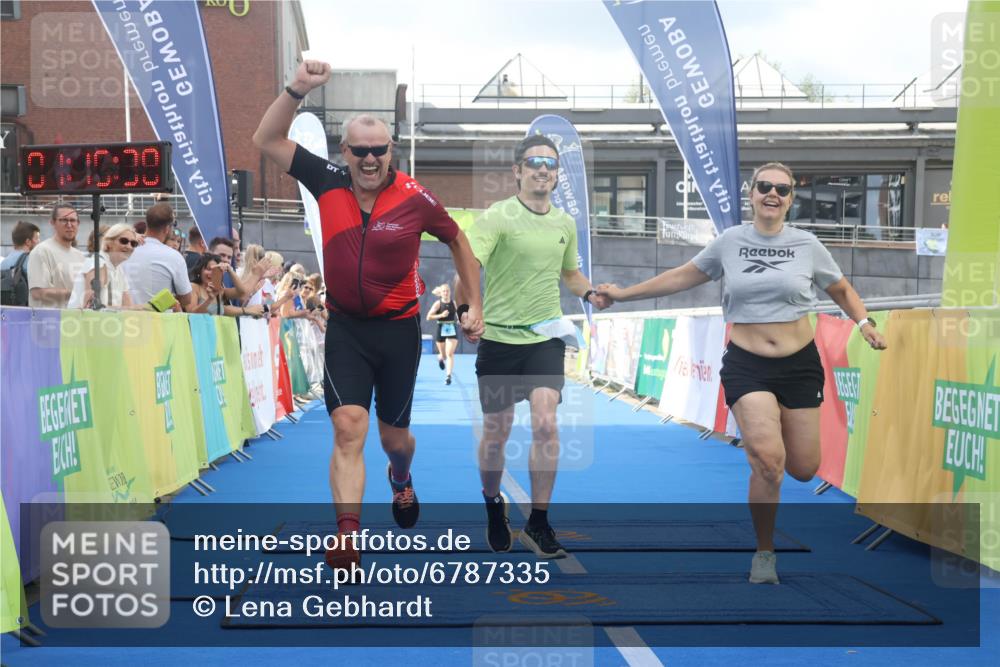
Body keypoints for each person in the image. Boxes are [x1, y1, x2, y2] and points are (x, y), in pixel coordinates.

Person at [597, 162, 888, 584]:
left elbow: (840, 288)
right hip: (747, 364)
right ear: (751, 193)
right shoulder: (730, 242)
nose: (773, 194)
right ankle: (765, 553)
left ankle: (775, 506)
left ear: (791, 199)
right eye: (765, 186)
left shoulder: (808, 245)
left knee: (804, 468)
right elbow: (682, 276)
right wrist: (624, 294)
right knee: (769, 461)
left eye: (783, 189)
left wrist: (864, 323)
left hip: (800, 364)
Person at [253, 59, 484, 572]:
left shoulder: (415, 197)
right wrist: (295, 89)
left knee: (392, 440)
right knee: (348, 426)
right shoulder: (325, 179)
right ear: (345, 152)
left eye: (380, 150)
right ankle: (347, 535)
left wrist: (473, 305)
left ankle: (400, 479)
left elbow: (459, 241)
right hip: (348, 330)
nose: (371, 159)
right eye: (361, 151)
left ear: (391, 151)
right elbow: (266, 139)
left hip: (399, 329)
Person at [456, 135, 610, 559]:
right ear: (517, 171)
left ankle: (538, 522)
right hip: (500, 339)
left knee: (546, 424)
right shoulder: (497, 217)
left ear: (557, 174)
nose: (543, 169)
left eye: (550, 164)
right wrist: (468, 310)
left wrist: (592, 292)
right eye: (535, 162)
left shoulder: (563, 223)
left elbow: (571, 275)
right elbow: (467, 267)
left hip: (545, 335)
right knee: (496, 433)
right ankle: (492, 505)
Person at [123, 203, 193, 310]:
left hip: (125, 319)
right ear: (167, 229)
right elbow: (187, 298)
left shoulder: (124, 251)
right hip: (159, 322)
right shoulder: (174, 257)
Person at [67, 223, 140, 309]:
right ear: (109, 242)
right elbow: (91, 307)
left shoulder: (118, 268)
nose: (129, 246)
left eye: (133, 243)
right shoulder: (98, 265)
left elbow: (128, 305)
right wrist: (139, 308)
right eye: (124, 241)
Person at [27, 204, 87, 308]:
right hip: (49, 321)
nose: (69, 225)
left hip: (74, 321)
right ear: (52, 222)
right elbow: (37, 293)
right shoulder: (41, 251)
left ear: (78, 223)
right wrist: (75, 293)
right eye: (64, 220)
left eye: (73, 220)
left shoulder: (81, 257)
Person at [187, 253, 264, 317]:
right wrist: (209, 299)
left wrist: (230, 270)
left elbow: (241, 292)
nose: (211, 273)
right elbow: (191, 314)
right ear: (199, 271)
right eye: (208, 269)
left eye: (215, 270)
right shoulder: (194, 287)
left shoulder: (220, 291)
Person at [0, 221, 40, 306]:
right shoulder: (31, 260)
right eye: (36, 238)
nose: (38, 242)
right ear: (28, 242)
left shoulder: (3, 262)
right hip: (27, 312)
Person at [426, 283, 459, 384]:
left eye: (447, 291)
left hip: (451, 329)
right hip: (441, 328)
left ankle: (448, 376)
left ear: (450, 292)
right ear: (441, 293)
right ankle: (440, 358)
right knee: (444, 355)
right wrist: (441, 315)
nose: (446, 293)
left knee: (450, 353)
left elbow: (459, 314)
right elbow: (428, 317)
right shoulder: (438, 304)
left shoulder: (454, 303)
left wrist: (460, 320)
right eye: (444, 291)